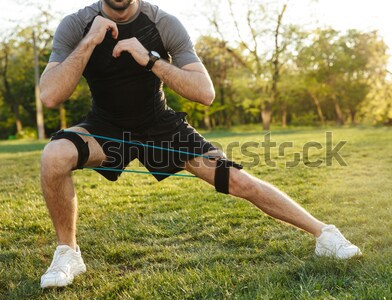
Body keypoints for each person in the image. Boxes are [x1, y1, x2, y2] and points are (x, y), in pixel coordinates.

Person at [39, 0, 362, 289]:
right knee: (54, 155)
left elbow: (205, 93)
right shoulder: (76, 25)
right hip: (105, 128)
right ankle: (68, 253)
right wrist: (91, 40)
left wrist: (150, 59)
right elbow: (50, 95)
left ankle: (324, 234)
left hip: (160, 126)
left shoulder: (162, 22)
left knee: (235, 178)